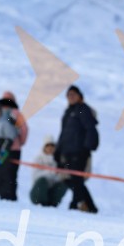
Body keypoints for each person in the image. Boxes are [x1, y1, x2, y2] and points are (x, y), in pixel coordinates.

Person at [55, 85, 98, 213]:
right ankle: (90, 206)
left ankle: (76, 204)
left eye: (73, 94)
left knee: (77, 179)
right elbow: (63, 133)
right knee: (70, 179)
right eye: (69, 95)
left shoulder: (82, 109)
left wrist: (87, 148)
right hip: (67, 152)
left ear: (80, 96)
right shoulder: (68, 112)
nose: (71, 97)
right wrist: (58, 151)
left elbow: (90, 128)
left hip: (79, 152)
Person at [29, 135, 68, 207]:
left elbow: (59, 178)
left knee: (63, 184)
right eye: (48, 145)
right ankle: (41, 202)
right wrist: (51, 172)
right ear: (44, 147)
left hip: (51, 191)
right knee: (42, 181)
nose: (50, 148)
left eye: (52, 146)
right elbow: (35, 176)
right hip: (37, 192)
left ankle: (52, 203)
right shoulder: (39, 158)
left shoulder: (58, 160)